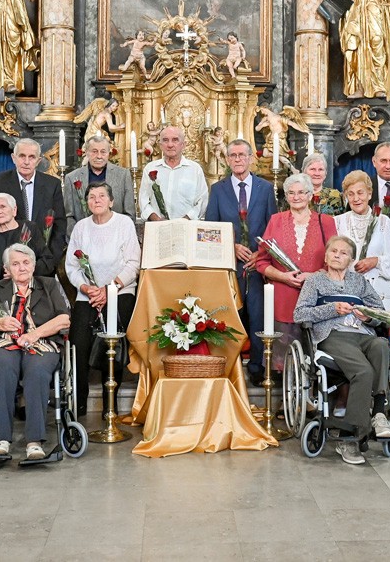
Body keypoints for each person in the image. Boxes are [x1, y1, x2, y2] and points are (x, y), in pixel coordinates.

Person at [0, 245, 70, 460]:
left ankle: (34, 441)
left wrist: (34, 335)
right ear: (7, 269)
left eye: (26, 262)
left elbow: (64, 319)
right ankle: (1, 439)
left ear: (33, 265)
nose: (21, 268)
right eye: (15, 264)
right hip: (3, 344)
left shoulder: (48, 285)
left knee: (37, 369)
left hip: (41, 343)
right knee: (3, 366)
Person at [293, 236, 390, 465]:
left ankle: (379, 413)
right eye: (334, 251)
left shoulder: (359, 281)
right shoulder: (315, 281)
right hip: (333, 335)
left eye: (344, 253)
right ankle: (349, 438)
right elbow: (300, 314)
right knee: (363, 371)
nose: (338, 255)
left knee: (381, 345)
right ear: (326, 256)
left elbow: (380, 312)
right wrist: (332, 309)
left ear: (351, 260)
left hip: (363, 334)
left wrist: (368, 317)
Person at [205, 139, 277, 384]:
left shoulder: (266, 188)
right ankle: (228, 367)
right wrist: (231, 247)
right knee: (229, 316)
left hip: (258, 265)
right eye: (233, 155)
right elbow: (211, 229)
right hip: (230, 264)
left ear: (250, 158)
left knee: (258, 316)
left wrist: (261, 253)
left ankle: (257, 367)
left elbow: (272, 226)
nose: (237, 159)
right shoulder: (218, 189)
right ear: (227, 160)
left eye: (241, 155)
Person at [65, 183, 140, 416]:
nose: (96, 200)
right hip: (88, 294)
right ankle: (79, 403)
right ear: (86, 202)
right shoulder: (81, 227)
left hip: (120, 291)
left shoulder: (124, 224)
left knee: (113, 345)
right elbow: (71, 266)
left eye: (101, 196)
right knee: (78, 344)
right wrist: (86, 288)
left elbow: (133, 264)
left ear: (111, 201)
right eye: (91, 196)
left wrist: (109, 290)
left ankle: (111, 404)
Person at [255, 173, 338, 364]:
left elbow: (335, 261)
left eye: (301, 192)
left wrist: (312, 276)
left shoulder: (326, 222)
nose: (296, 197)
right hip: (283, 300)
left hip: (316, 301)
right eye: (291, 193)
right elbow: (262, 262)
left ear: (310, 195)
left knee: (314, 361)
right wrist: (283, 277)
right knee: (284, 362)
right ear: (286, 196)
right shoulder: (275, 220)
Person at [0, 138, 66, 276]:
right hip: (8, 265)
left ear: (38, 161)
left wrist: (49, 262)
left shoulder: (52, 184)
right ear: (13, 158)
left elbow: (60, 225)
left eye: (32, 157)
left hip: (42, 264)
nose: (26, 162)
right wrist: (5, 265)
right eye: (22, 156)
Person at [334, 171, 390, 313]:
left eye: (360, 193)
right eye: (351, 194)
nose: (356, 198)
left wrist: (376, 261)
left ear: (369, 194)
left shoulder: (384, 222)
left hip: (378, 295)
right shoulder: (337, 222)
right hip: (345, 296)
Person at [0, 194, 46, 295]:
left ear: (14, 210)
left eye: (3, 207)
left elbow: (47, 260)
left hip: (28, 290)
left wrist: (23, 273)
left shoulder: (29, 228)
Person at [63, 134, 136, 232]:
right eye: (94, 151)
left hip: (115, 235)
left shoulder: (123, 175)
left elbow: (129, 214)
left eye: (103, 152)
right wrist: (77, 236)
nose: (99, 156)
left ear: (109, 153)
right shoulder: (72, 178)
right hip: (83, 236)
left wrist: (120, 235)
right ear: (86, 153)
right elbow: (68, 216)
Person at [138, 125, 208, 221]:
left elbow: (202, 201)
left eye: (175, 140)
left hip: (187, 227)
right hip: (157, 226)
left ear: (183, 144)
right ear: (160, 145)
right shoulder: (150, 168)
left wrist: (183, 221)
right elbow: (143, 200)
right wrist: (157, 219)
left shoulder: (195, 169)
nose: (170, 145)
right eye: (165, 140)